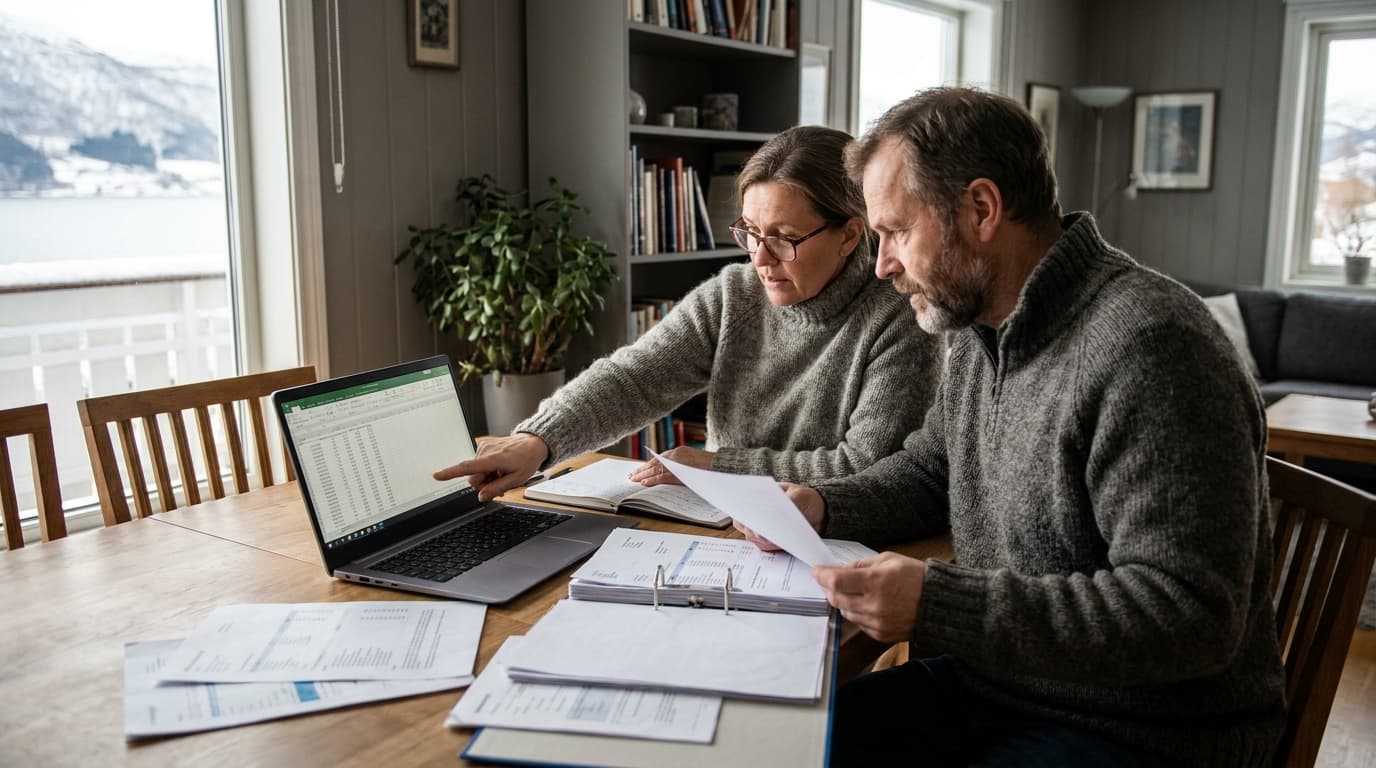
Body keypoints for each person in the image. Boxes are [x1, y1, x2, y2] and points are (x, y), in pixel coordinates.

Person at [762, 89, 1285, 766]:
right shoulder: (982, 329)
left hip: (1148, 732)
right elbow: (932, 468)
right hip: (997, 693)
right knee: (772, 745)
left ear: (981, 209)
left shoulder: (1151, 346)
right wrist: (825, 502)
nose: (882, 263)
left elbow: (1188, 615)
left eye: (895, 231)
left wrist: (940, 605)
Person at [437, 125, 943, 501]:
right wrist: (537, 439)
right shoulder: (734, 295)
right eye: (749, 233)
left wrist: (716, 466)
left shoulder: (899, 316)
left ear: (850, 234)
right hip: (720, 525)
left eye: (785, 239)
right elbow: (634, 379)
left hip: (829, 544)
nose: (760, 259)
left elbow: (865, 466)